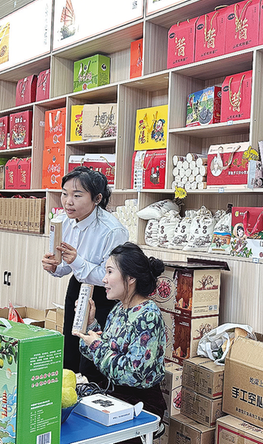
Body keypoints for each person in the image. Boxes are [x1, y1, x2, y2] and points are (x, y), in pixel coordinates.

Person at [42, 167, 129, 384]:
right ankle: (68, 393)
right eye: (65, 194)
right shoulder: (64, 221)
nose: (68, 202)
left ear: (97, 198)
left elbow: (113, 277)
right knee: (70, 348)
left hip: (105, 295)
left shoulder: (112, 230)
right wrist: (54, 267)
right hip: (78, 289)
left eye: (77, 195)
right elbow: (66, 267)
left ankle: (94, 394)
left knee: (93, 354)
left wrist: (76, 260)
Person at [74, 243, 167, 421]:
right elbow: (96, 353)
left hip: (140, 403)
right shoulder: (118, 309)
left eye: (110, 272)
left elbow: (133, 373)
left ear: (130, 278)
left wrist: (96, 346)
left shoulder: (148, 315)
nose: (104, 279)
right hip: (114, 394)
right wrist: (90, 323)